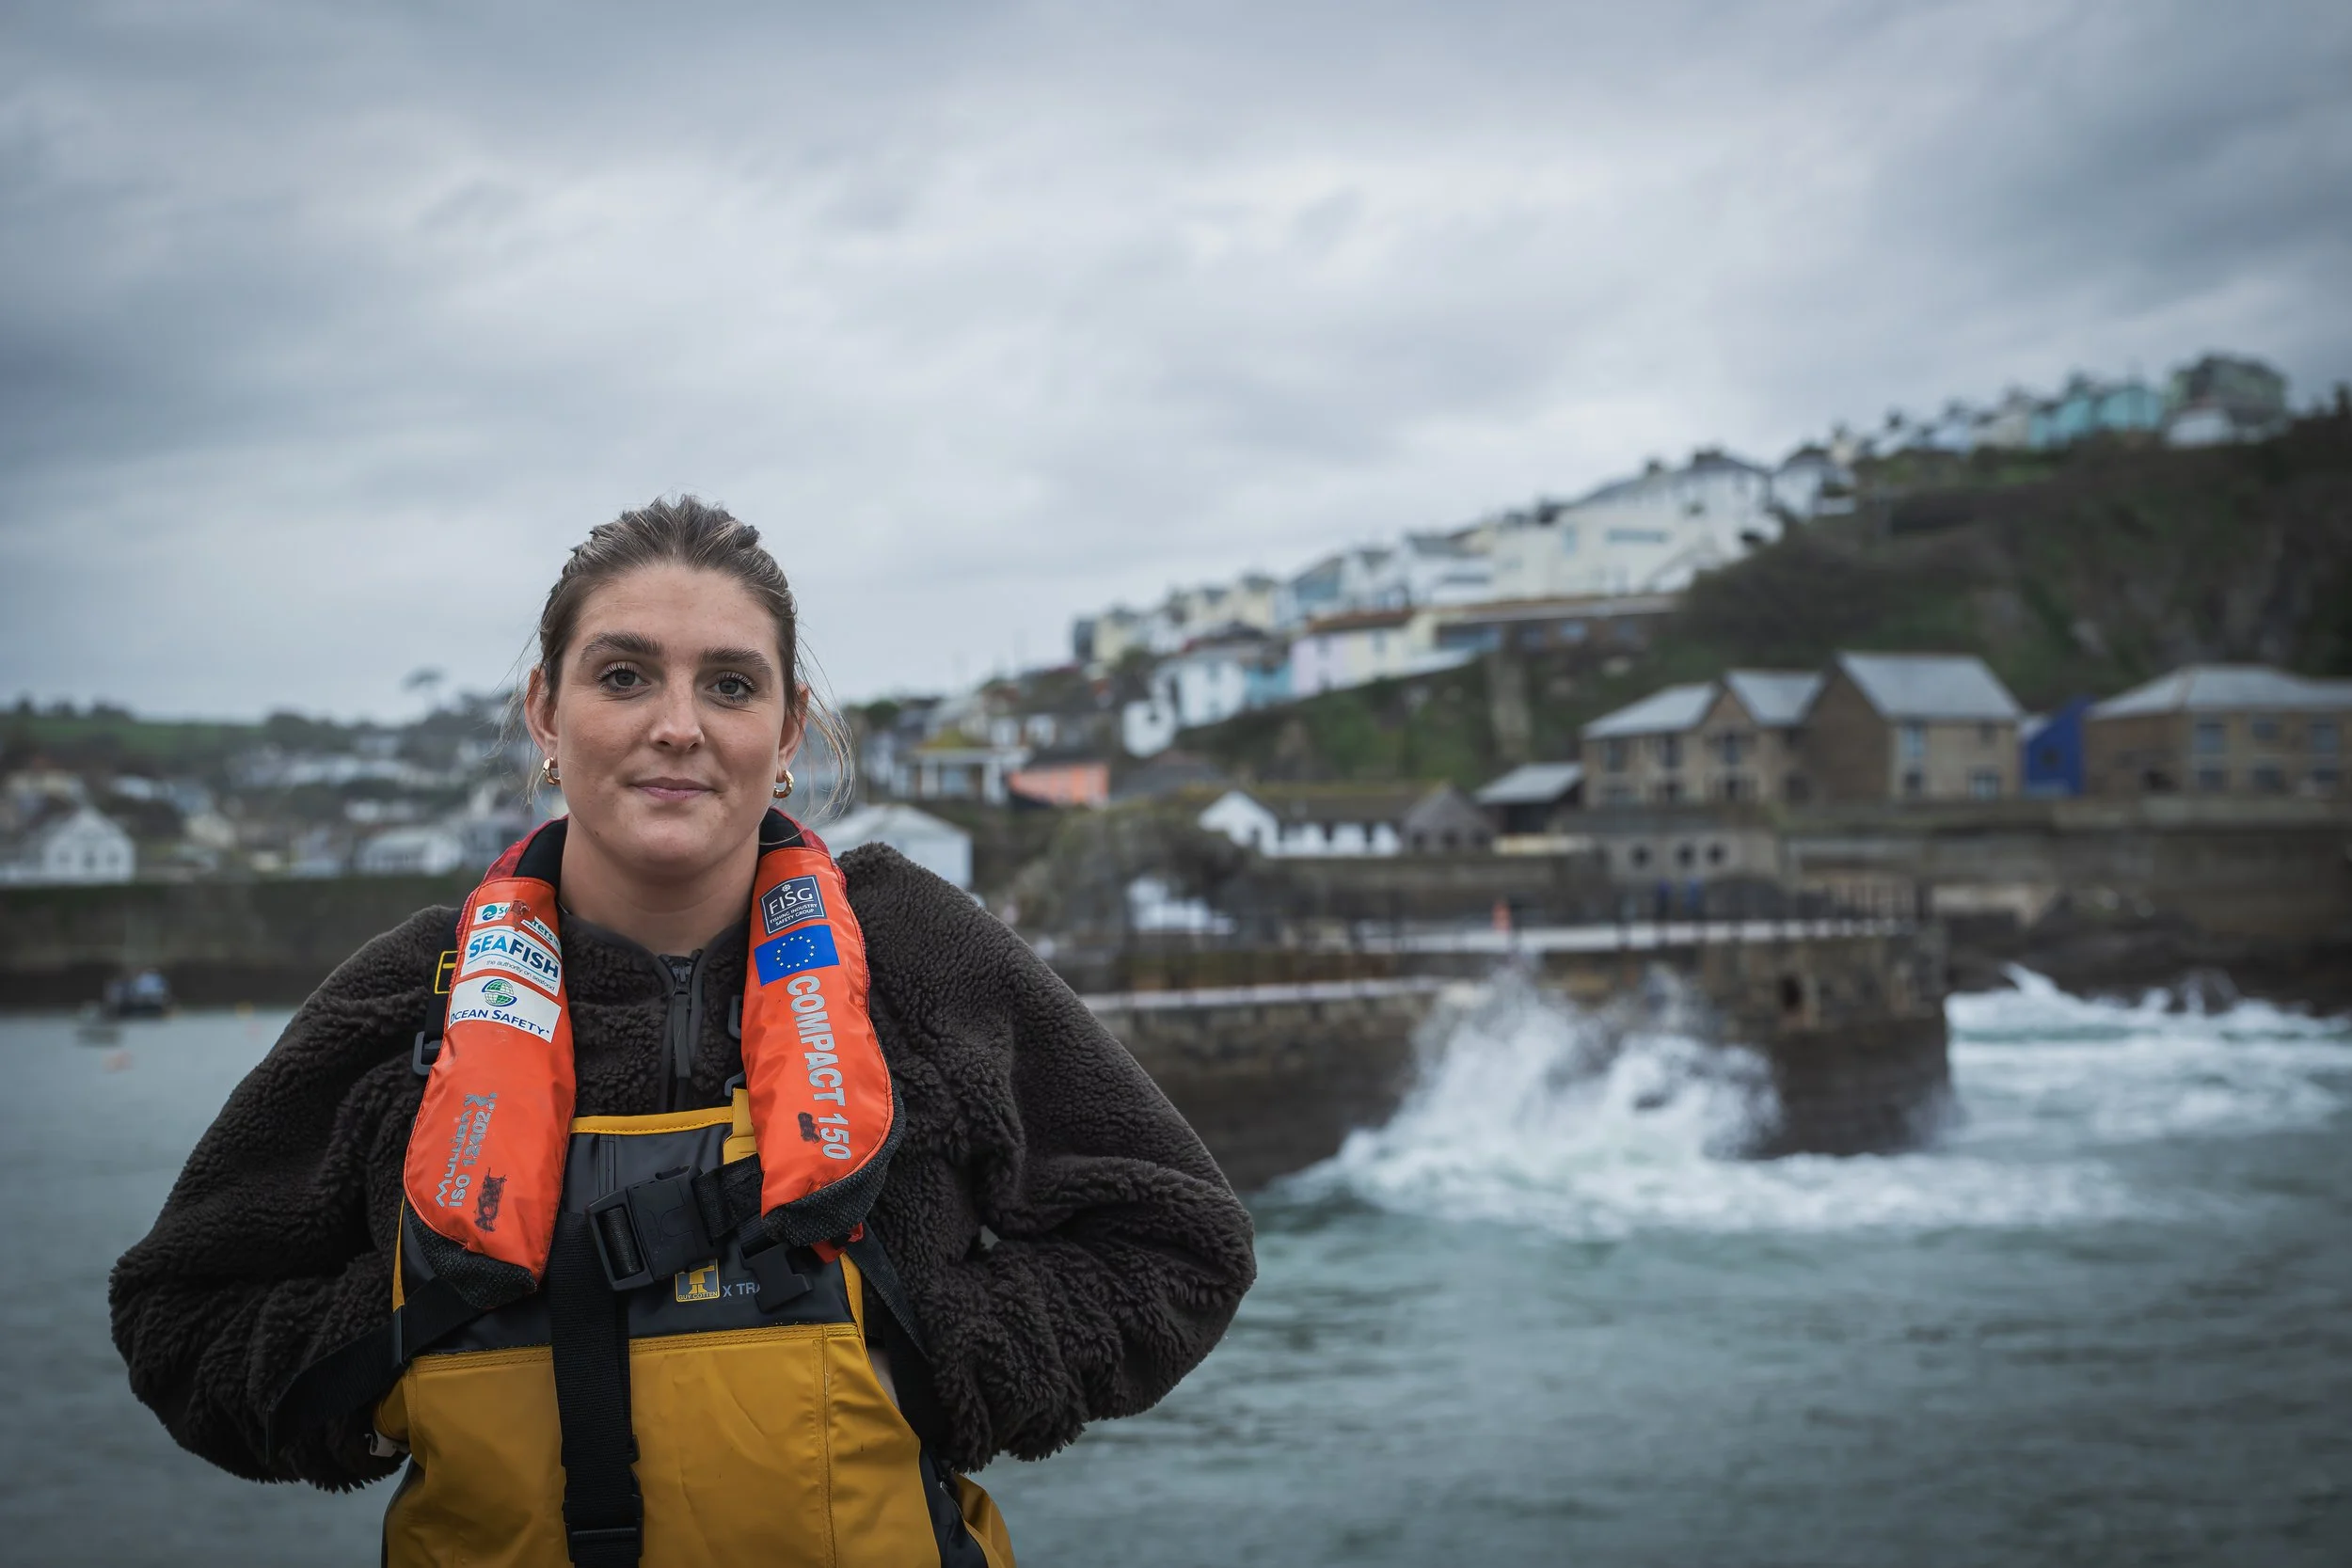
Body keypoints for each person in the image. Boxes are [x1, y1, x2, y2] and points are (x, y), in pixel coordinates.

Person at [111, 497, 1258, 1568]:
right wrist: (410, 1351)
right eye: (623, 676)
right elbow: (180, 1314)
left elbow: (1180, 1240)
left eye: (728, 683)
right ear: (546, 713)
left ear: (788, 725)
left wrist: (932, 1350)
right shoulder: (416, 991)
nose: (677, 726)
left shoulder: (917, 955)